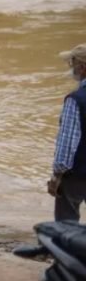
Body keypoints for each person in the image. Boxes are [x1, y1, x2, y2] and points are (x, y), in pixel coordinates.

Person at [48, 44, 86, 222]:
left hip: (78, 174)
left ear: (82, 67)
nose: (71, 68)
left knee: (67, 223)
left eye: (73, 63)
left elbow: (67, 143)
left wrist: (57, 175)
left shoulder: (75, 100)